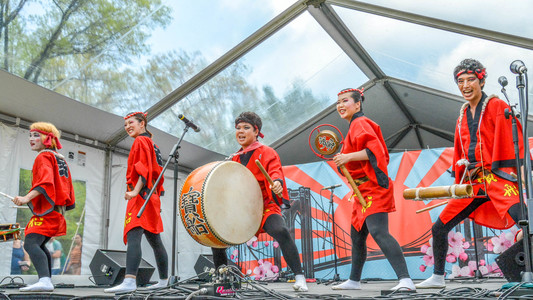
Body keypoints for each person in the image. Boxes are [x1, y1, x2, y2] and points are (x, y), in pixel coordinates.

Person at [416, 59, 523, 288]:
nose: (465, 85)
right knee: (440, 227)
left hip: (497, 178)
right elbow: (459, 148)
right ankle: (437, 277)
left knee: (526, 221)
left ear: (481, 81)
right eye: (460, 81)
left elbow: (513, 139)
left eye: (470, 79)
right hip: (474, 182)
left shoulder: (495, 105)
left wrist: (518, 172)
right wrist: (460, 176)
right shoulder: (462, 114)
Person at [211, 111, 308, 292]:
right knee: (216, 237)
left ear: (256, 132)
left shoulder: (267, 152)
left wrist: (277, 184)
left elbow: (275, 173)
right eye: (238, 128)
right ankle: (222, 282)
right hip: (242, 211)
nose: (241, 131)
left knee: (281, 230)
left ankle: (300, 277)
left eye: (246, 128)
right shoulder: (234, 158)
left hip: (264, 207)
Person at [331, 88, 415, 291]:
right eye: (338, 102)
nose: (340, 105)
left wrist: (347, 157)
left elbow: (374, 151)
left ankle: (406, 280)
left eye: (345, 101)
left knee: (378, 231)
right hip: (361, 191)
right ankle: (354, 281)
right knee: (358, 236)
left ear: (358, 104)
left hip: (372, 188)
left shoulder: (360, 123)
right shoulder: (353, 127)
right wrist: (344, 161)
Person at [105, 112, 169, 294]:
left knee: (134, 236)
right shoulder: (152, 144)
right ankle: (164, 280)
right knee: (155, 240)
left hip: (141, 195)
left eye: (131, 123)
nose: (127, 127)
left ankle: (129, 280)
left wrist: (134, 191)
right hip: (152, 196)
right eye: (125, 124)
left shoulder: (141, 141)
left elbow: (143, 169)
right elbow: (156, 173)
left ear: (142, 124)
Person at [13, 122, 75, 292]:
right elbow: (66, 188)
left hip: (49, 212)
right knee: (38, 244)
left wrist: (26, 198)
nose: (31, 139)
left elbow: (45, 183)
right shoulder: (58, 158)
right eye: (30, 135)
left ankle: (45, 280)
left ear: (47, 138)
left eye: (35, 135)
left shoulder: (44, 157)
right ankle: (45, 280)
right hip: (56, 211)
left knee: (31, 243)